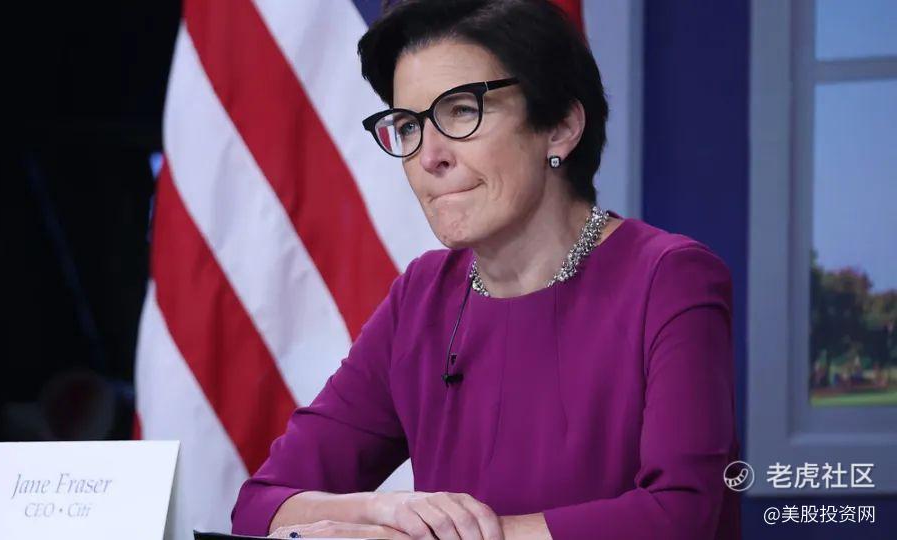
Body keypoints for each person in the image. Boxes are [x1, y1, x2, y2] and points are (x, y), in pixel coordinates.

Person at [231, 0, 740, 538]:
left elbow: (680, 516)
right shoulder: (421, 298)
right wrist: (384, 513)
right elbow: (260, 507)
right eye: (408, 126)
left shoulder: (670, 278)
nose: (429, 156)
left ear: (560, 126)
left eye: (460, 111)